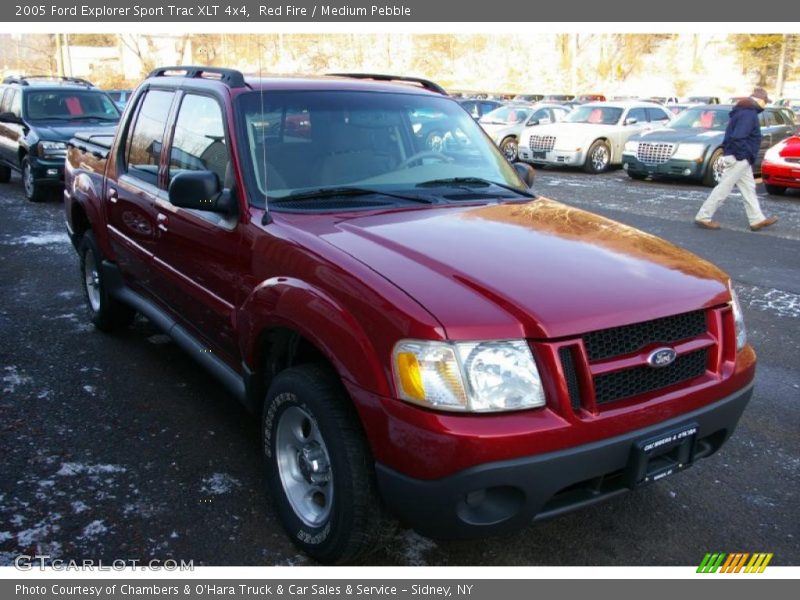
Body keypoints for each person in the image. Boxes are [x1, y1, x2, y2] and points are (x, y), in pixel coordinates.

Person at [694, 87, 778, 232]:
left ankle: (756, 219)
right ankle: (703, 216)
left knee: (749, 188)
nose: (766, 105)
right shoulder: (749, 114)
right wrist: (743, 155)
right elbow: (738, 137)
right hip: (739, 157)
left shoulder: (743, 111)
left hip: (739, 157)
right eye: (765, 101)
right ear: (759, 100)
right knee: (724, 188)